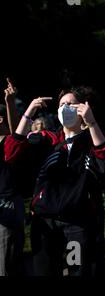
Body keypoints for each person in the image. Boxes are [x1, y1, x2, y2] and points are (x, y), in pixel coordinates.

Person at [10, 86, 105, 276]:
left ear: (84, 108)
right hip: (45, 221)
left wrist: (91, 122)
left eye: (70, 104)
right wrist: (28, 113)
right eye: (61, 104)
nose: (65, 108)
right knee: (46, 271)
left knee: (77, 270)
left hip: (76, 224)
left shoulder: (91, 140)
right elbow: (12, 151)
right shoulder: (47, 139)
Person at [0, 78, 22, 276]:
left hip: (7, 203)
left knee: (6, 261)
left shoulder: (6, 142)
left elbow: (16, 133)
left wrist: (10, 102)